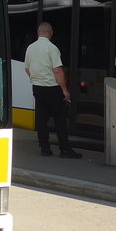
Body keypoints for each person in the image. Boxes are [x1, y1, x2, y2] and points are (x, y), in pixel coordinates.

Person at [24, 21, 81, 159]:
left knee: (41, 120)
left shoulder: (30, 48)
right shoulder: (52, 48)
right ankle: (65, 149)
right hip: (52, 88)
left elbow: (27, 68)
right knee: (60, 119)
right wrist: (65, 90)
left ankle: (45, 148)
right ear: (51, 33)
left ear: (38, 33)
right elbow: (57, 70)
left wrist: (36, 79)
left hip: (37, 88)